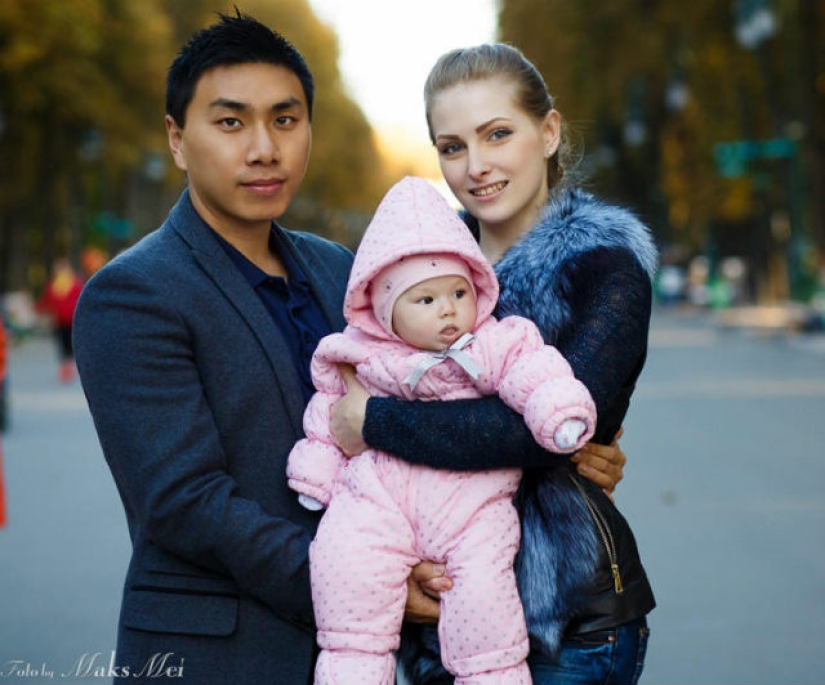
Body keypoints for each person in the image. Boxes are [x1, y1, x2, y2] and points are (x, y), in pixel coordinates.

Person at [329, 43, 658, 685]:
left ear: (549, 131)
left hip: (565, 624)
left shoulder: (605, 266)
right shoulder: (411, 264)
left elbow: (537, 432)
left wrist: (373, 421)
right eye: (452, 147)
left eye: (497, 134)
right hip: (437, 616)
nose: (476, 166)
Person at [73, 13, 358, 685]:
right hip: (217, 655)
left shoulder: (338, 270)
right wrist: (360, 582)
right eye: (231, 122)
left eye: (285, 120)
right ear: (177, 139)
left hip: (350, 656)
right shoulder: (132, 293)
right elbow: (186, 500)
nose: (264, 148)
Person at [287, 176, 597, 685]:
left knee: (486, 599)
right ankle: (352, 669)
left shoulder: (493, 342)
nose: (448, 309)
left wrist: (559, 411)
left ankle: (493, 675)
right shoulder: (361, 355)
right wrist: (316, 473)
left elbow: (535, 372)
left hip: (471, 504)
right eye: (425, 300)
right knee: (346, 566)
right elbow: (328, 416)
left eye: (457, 292)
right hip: (379, 498)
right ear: (385, 312)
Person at [36, 256, 84, 382]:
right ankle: (65, 368)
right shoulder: (53, 284)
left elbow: (80, 300)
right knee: (61, 344)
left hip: (72, 320)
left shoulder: (75, 283)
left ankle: (72, 367)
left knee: (71, 344)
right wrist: (41, 311)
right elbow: (47, 300)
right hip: (58, 321)